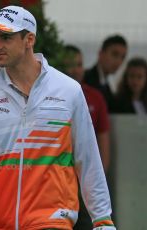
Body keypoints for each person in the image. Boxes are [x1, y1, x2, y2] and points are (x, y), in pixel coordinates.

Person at [0, 5, 116, 230]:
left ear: (29, 40)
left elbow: (88, 158)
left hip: (52, 221)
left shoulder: (68, 90)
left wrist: (102, 219)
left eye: (6, 38)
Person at [63, 45, 111, 230]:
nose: (76, 69)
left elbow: (103, 142)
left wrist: (96, 179)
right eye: (70, 64)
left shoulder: (95, 97)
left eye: (80, 64)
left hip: (84, 182)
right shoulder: (54, 96)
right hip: (59, 181)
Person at [84, 34, 128, 113]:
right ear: (101, 54)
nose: (119, 61)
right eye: (115, 54)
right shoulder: (86, 80)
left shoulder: (106, 85)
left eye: (122, 57)